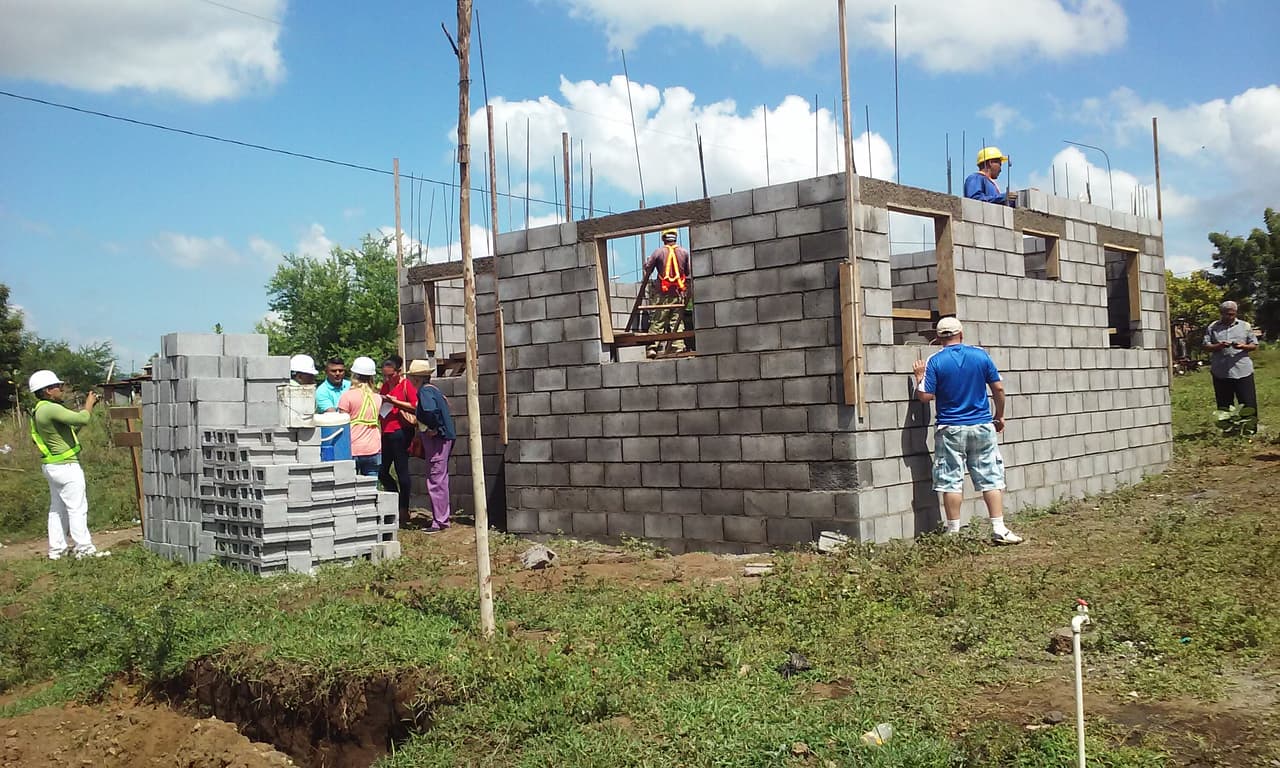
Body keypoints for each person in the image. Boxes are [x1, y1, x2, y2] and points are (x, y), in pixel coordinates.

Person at [911, 318, 1023, 544]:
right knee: (990, 476)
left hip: (950, 427)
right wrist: (999, 415)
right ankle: (999, 528)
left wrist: (920, 377)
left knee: (951, 479)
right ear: (961, 333)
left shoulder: (935, 361)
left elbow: (925, 397)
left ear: (939, 337)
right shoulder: (980, 355)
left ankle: (953, 533)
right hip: (981, 425)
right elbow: (998, 388)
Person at [27, 370, 110, 560]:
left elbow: (71, 431)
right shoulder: (50, 408)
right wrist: (89, 404)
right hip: (66, 467)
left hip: (53, 465)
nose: (61, 389)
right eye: (57, 386)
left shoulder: (40, 410)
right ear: (47, 390)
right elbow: (82, 419)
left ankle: (57, 551)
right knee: (77, 508)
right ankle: (85, 550)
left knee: (57, 509)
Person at [407, 358, 455, 532]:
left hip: (437, 440)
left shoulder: (425, 392)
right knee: (440, 478)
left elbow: (429, 411)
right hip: (442, 439)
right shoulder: (433, 390)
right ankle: (441, 518)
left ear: (415, 379)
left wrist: (433, 427)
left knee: (436, 479)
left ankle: (440, 521)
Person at [1203, 301, 1259, 428]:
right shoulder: (1213, 327)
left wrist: (1242, 346)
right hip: (1221, 371)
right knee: (1224, 403)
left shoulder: (1245, 326)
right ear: (1221, 313)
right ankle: (1227, 429)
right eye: (1227, 314)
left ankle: (1249, 428)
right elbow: (1206, 346)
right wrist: (1219, 346)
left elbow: (1254, 345)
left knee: (1248, 402)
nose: (1230, 317)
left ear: (1236, 313)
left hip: (1242, 370)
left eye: (1232, 314)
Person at [378, 355, 418, 525]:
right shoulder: (385, 386)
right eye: (385, 375)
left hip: (401, 431)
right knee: (382, 471)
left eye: (390, 375)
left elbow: (416, 406)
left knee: (402, 471)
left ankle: (403, 509)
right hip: (386, 432)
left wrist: (396, 402)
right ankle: (394, 499)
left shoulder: (406, 385)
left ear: (399, 372)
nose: (387, 379)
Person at [640, 228, 692, 358]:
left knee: (658, 320)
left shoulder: (659, 252)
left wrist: (648, 263)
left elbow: (648, 268)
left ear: (663, 238)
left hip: (662, 294)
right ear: (675, 237)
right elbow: (687, 272)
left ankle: (652, 347)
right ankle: (678, 347)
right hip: (678, 294)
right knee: (677, 322)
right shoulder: (684, 252)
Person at [337, 356, 383, 477]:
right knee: (371, 490)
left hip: (352, 447)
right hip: (373, 448)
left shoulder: (347, 397)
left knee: (350, 489)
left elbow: (341, 425)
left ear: (354, 375)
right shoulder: (377, 398)